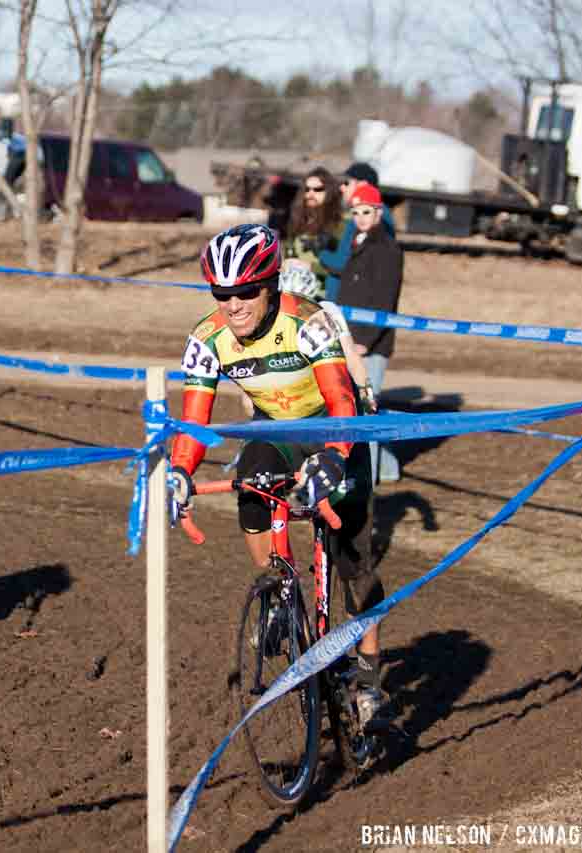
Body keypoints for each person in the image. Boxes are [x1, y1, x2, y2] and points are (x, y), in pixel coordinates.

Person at [167, 223, 390, 729]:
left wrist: (335, 456)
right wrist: (180, 471)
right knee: (252, 475)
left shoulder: (308, 323)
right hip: (280, 435)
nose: (233, 304)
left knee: (355, 567)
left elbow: (342, 402)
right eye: (222, 293)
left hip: (335, 431)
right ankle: (276, 588)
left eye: (246, 291)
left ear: (270, 286)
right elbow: (195, 422)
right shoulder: (207, 340)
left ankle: (370, 675)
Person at [340, 183, 404, 483]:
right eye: (355, 212)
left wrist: (364, 341)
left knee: (368, 407)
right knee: (360, 406)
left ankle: (372, 476)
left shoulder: (388, 249)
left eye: (366, 211)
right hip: (349, 338)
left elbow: (385, 299)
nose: (360, 217)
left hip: (370, 344)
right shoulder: (357, 241)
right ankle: (388, 468)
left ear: (378, 212)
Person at [278, 261, 378, 415]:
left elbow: (351, 356)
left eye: (306, 308)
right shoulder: (326, 309)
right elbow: (352, 357)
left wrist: (366, 395)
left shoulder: (328, 310)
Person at [318, 162, 397, 302]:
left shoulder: (367, 219)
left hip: (352, 307)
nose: (342, 187)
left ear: (363, 185)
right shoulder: (381, 214)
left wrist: (321, 251)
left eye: (347, 183)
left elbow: (342, 264)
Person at [282, 167, 345, 284]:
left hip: (324, 296)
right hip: (295, 290)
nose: (311, 194)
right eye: (307, 189)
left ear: (329, 191)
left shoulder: (339, 224)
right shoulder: (298, 220)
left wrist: (311, 267)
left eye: (318, 189)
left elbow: (345, 267)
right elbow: (289, 252)